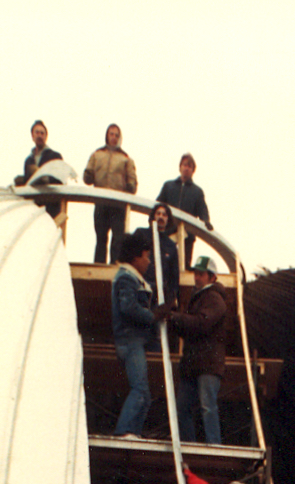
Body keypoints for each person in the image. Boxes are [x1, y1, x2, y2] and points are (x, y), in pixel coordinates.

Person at [111, 231, 174, 438]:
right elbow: (128, 307)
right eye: (146, 257)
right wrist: (153, 315)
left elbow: (145, 292)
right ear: (135, 257)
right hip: (130, 341)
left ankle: (133, 433)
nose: (148, 262)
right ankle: (123, 431)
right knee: (139, 389)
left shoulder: (134, 279)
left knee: (145, 395)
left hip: (137, 341)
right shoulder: (126, 279)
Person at [171, 255, 228, 446]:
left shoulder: (214, 298)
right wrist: (174, 319)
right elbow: (191, 327)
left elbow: (201, 324)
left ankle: (214, 446)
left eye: (201, 274)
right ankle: (190, 445)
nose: (196, 277)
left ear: (212, 277)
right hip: (196, 364)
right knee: (184, 408)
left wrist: (175, 317)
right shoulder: (200, 298)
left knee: (206, 407)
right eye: (196, 273)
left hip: (207, 364)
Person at [83, 124, 137, 264]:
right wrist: (88, 175)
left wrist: (130, 186)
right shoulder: (97, 154)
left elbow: (133, 182)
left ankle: (115, 267)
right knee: (101, 238)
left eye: (116, 135)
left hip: (118, 204)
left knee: (118, 239)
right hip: (101, 202)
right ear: (107, 135)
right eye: (111, 134)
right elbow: (87, 176)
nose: (113, 137)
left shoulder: (125, 158)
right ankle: (99, 266)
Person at [157, 153, 212, 268]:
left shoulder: (197, 192)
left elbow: (202, 210)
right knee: (164, 263)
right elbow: (158, 205)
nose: (186, 168)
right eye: (185, 165)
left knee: (184, 266)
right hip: (168, 232)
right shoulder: (168, 186)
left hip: (187, 235)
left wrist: (206, 221)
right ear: (180, 167)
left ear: (193, 170)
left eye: (190, 166)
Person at [15, 120, 63, 219]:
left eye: (42, 133)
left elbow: (60, 179)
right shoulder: (29, 160)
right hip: (33, 206)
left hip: (51, 207)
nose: (39, 135)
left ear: (46, 137)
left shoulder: (55, 156)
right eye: (37, 132)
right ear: (32, 136)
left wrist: (45, 178)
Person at [145, 203, 181, 305]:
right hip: (141, 288)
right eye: (158, 213)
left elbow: (174, 276)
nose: (161, 216)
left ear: (168, 220)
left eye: (164, 215)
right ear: (153, 216)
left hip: (159, 294)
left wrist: (172, 298)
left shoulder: (171, 245)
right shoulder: (141, 234)